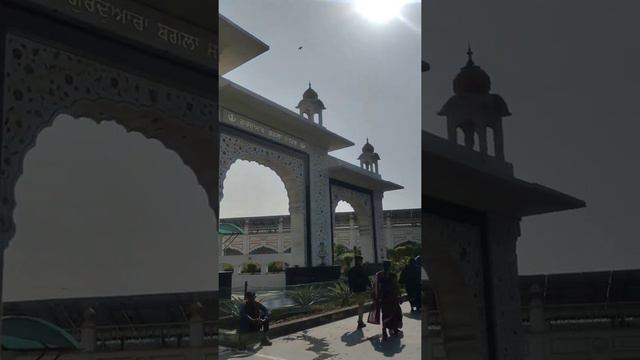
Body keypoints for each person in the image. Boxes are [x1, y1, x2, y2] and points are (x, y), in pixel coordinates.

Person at [370, 260, 403, 341]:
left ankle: (384, 331)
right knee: (396, 312)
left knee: (385, 314)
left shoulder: (379, 275)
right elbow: (396, 286)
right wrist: (400, 296)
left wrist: (375, 297)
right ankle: (394, 329)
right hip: (392, 297)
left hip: (383, 299)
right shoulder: (393, 275)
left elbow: (375, 287)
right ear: (390, 266)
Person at [347, 255, 371, 329]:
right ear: (360, 261)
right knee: (361, 305)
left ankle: (360, 321)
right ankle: (360, 321)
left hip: (355, 289)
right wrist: (370, 286)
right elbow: (366, 279)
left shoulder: (351, 270)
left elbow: (349, 281)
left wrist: (351, 289)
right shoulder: (361, 269)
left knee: (359, 305)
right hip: (361, 289)